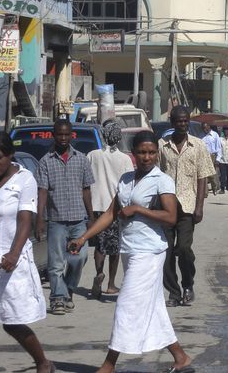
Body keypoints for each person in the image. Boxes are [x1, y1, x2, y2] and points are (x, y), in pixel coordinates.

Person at [69, 131, 193, 373]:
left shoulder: (162, 180)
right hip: (130, 249)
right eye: (141, 152)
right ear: (133, 154)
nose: (147, 157)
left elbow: (170, 217)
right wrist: (83, 237)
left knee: (126, 305)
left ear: (157, 154)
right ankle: (181, 357)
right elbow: (110, 213)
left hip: (149, 252)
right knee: (153, 308)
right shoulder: (126, 179)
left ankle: (109, 364)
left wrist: (138, 209)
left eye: (151, 152)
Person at [0, 132, 53, 373]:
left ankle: (43, 362)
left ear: (10, 155)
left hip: (8, 261)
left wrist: (14, 253)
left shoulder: (24, 179)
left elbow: (25, 220)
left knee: (12, 324)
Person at [35, 117, 95, 315]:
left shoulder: (81, 159)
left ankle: (68, 288)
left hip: (79, 219)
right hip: (56, 220)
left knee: (80, 258)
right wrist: (40, 218)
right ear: (53, 135)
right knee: (56, 263)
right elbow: (42, 192)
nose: (63, 138)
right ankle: (57, 299)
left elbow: (86, 189)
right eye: (59, 134)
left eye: (66, 134)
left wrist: (91, 216)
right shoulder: (45, 162)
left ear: (71, 135)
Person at [158, 105, 214, 307]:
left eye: (185, 120)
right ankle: (174, 293)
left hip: (188, 206)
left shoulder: (198, 145)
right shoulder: (162, 145)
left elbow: (202, 177)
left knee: (183, 249)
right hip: (165, 206)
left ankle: (188, 284)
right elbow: (155, 174)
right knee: (166, 252)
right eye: (178, 121)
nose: (182, 124)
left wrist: (200, 207)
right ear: (172, 123)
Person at [87, 119, 134, 299]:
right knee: (114, 248)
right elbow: (130, 183)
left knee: (100, 245)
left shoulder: (93, 155)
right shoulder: (124, 159)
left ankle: (99, 272)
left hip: (96, 205)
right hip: (115, 207)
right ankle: (111, 283)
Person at [201, 123, 222, 196]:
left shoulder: (215, 135)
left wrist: (218, 159)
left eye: (205, 128)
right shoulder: (201, 136)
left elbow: (219, 148)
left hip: (212, 156)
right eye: (203, 128)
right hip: (203, 156)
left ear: (209, 127)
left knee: (212, 174)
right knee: (203, 174)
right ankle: (205, 192)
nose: (204, 130)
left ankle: (215, 187)